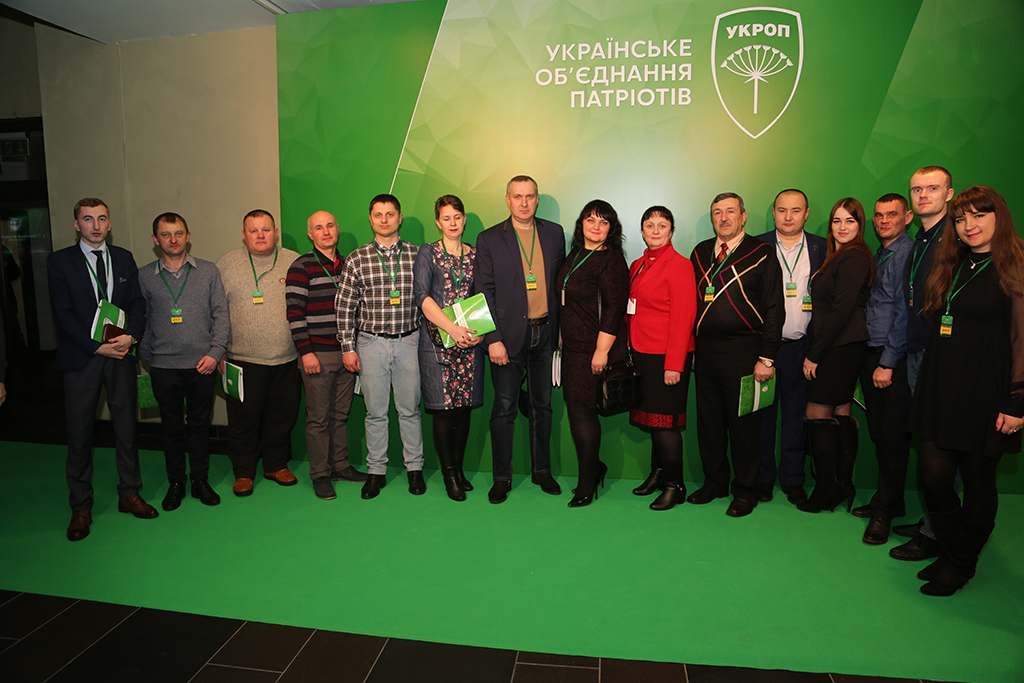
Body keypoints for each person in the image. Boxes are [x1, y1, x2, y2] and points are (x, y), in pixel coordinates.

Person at [910, 185, 1024, 596]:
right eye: (960, 219)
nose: (968, 225)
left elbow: (1022, 339)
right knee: (933, 476)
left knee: (977, 478)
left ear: (999, 216)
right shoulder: (954, 262)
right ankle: (952, 549)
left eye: (978, 215)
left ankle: (960, 563)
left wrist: (1016, 400)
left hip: (987, 389)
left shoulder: (1016, 264)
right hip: (942, 384)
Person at [48, 198, 156, 541]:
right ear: (76, 224)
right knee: (80, 433)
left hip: (121, 355)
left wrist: (131, 336)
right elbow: (62, 313)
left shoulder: (123, 257)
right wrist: (96, 346)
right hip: (83, 359)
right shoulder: (60, 261)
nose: (95, 226)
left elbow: (137, 303)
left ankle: (130, 493)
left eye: (102, 219)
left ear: (109, 223)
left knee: (126, 428)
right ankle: (80, 506)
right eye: (87, 219)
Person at [689, 192, 784, 517]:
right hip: (705, 353)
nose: (724, 218)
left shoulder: (761, 252)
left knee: (745, 428)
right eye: (717, 212)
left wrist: (767, 357)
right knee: (709, 424)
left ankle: (746, 490)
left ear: (743, 216)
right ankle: (714, 482)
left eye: (730, 211)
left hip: (745, 352)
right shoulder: (701, 252)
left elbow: (775, 307)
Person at [476, 175, 566, 504]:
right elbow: (483, 292)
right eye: (518, 196)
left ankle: (542, 471)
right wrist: (492, 339)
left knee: (543, 406)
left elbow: (561, 285)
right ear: (507, 199)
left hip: (546, 334)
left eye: (530, 196)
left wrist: (560, 330)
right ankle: (502, 477)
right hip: (506, 337)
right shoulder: (489, 238)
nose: (524, 203)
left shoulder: (554, 233)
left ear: (537, 199)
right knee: (504, 410)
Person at [139, 212, 229, 511]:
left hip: (202, 364)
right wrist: (150, 356)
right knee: (171, 428)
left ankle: (200, 480)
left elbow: (221, 315)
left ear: (188, 236)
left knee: (200, 426)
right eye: (166, 234)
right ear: (156, 240)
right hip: (163, 367)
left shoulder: (208, 271)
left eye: (178, 233)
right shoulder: (144, 276)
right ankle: (176, 482)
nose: (173, 239)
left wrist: (215, 353)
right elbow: (139, 320)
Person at [336, 194, 424, 499]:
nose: (384, 220)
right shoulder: (357, 258)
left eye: (390, 214)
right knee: (374, 413)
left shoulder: (417, 255)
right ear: (370, 219)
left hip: (410, 341)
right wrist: (348, 347)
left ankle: (415, 469)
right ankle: (376, 472)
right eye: (378, 215)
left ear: (400, 218)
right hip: (370, 343)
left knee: (410, 410)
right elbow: (345, 307)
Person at [891, 166, 955, 562]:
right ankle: (934, 522)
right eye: (917, 189)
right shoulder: (921, 238)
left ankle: (938, 534)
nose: (923, 195)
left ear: (949, 194)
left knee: (942, 449)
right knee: (931, 443)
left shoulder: (956, 238)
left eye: (932, 188)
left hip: (942, 357)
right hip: (917, 352)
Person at [216, 209, 302, 497]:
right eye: (253, 231)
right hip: (241, 359)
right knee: (243, 419)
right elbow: (215, 312)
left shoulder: (293, 261)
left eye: (266, 230)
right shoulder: (226, 265)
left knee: (282, 417)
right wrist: (218, 350)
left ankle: (276, 465)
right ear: (244, 235)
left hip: (286, 358)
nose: (260, 235)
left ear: (275, 232)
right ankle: (243, 472)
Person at [798, 198, 874, 514]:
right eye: (837, 221)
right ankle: (843, 485)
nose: (842, 227)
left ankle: (826, 489)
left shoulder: (853, 256)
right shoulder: (839, 256)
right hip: (843, 346)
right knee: (841, 412)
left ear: (860, 225)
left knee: (817, 414)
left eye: (850, 221)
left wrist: (815, 354)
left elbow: (840, 310)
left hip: (838, 348)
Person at [287, 210, 368, 501]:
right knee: (318, 419)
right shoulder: (301, 267)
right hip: (317, 355)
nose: (326, 232)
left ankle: (340, 466)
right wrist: (306, 352)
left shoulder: (349, 265)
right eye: (319, 228)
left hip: (346, 353)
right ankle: (320, 474)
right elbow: (294, 313)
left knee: (340, 415)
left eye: (330, 225)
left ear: (337, 228)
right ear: (311, 234)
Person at [556, 200, 629, 507]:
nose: (596, 227)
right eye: (590, 220)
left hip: (594, 349)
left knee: (584, 414)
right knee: (576, 412)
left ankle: (587, 482)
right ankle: (594, 468)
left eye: (603, 222)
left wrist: (601, 351)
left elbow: (614, 308)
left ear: (611, 228)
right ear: (581, 223)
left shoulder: (611, 259)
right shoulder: (575, 253)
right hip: (572, 349)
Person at [413, 195, 485, 501]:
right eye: (446, 218)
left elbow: (484, 296)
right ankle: (449, 475)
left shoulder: (477, 255)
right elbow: (422, 296)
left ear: (464, 219)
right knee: (443, 412)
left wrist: (478, 335)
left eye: (457, 217)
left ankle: (459, 469)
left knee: (464, 410)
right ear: (438, 222)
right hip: (437, 343)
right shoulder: (428, 252)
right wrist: (452, 329)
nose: (452, 223)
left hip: (470, 343)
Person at [851, 195, 914, 543]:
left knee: (892, 437)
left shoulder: (906, 254)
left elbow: (904, 313)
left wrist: (888, 362)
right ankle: (891, 500)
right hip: (871, 353)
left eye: (892, 214)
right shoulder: (881, 252)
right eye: (878, 215)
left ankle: (884, 512)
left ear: (907, 217)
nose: (884, 220)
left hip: (891, 359)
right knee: (880, 434)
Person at [757, 189, 826, 505]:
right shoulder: (757, 246)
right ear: (773, 212)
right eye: (782, 210)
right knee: (763, 417)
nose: (788, 217)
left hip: (802, 348)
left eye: (795, 210)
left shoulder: (822, 248)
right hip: (764, 350)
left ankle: (793, 479)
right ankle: (763, 479)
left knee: (796, 417)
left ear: (806, 214)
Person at [627, 206, 696, 510]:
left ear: (672, 230)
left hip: (667, 355)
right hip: (642, 353)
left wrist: (674, 364)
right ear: (642, 231)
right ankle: (658, 474)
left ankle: (674, 485)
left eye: (662, 225)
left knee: (666, 423)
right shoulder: (638, 264)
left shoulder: (680, 265)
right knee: (654, 420)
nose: (655, 231)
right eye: (649, 225)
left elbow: (684, 317)